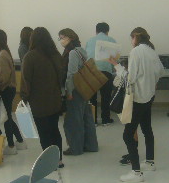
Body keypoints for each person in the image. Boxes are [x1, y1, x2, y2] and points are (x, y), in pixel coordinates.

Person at [110, 27, 164, 182]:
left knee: (128, 134)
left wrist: (116, 65)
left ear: (135, 37)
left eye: (131, 38)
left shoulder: (136, 52)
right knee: (147, 128)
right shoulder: (152, 51)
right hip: (149, 96)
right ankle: (150, 162)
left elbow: (130, 78)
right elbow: (161, 71)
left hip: (138, 98)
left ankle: (136, 172)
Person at [21, 27, 65, 167]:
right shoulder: (56, 55)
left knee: (44, 132)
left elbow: (26, 81)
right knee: (54, 130)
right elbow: (62, 77)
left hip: (38, 102)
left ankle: (49, 162)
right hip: (55, 99)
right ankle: (59, 160)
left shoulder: (30, 56)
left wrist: (24, 98)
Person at [58, 28, 98, 157]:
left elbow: (71, 74)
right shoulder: (81, 50)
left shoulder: (72, 53)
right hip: (84, 89)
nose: (60, 41)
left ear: (70, 38)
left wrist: (69, 91)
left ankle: (75, 148)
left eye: (62, 38)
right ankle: (91, 145)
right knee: (86, 118)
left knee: (73, 121)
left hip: (75, 90)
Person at [0, 30, 27, 155]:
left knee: (6, 118)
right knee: (8, 117)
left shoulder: (1, 55)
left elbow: (3, 77)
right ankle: (20, 141)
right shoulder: (4, 52)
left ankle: (11, 146)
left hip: (6, 89)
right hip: (8, 89)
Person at [85, 22, 116, 126]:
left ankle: (93, 121)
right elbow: (114, 60)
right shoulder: (111, 40)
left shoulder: (89, 41)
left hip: (91, 71)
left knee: (92, 98)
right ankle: (105, 120)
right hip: (106, 72)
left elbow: (86, 57)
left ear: (96, 31)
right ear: (107, 31)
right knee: (106, 97)